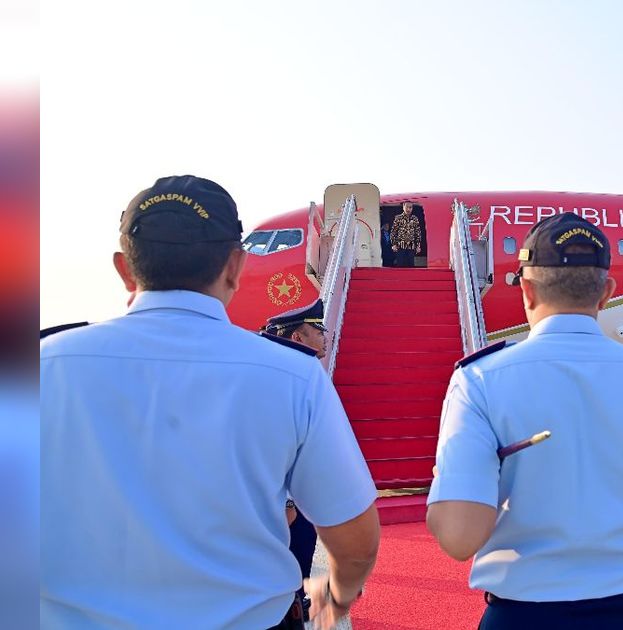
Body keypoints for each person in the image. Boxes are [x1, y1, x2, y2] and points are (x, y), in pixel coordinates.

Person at [40, 175, 380, 630]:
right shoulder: (295, 376)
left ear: (125, 268)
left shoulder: (43, 365)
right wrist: (336, 597)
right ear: (235, 266)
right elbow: (355, 540)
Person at [425, 213, 623, 630]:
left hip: (525, 616)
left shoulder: (480, 381)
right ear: (607, 292)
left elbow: (458, 538)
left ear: (526, 290)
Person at [262, 298, 330, 621]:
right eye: (317, 329)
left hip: (300, 500)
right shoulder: (290, 379)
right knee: (287, 570)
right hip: (289, 505)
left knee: (297, 568)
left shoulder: (299, 373)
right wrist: (288, 503)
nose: (326, 335)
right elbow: (281, 441)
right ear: (297, 338)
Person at [389, 201, 423, 267]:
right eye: (407, 207)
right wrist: (394, 244)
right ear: (403, 207)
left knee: (411, 266)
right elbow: (393, 232)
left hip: (411, 247)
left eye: (410, 207)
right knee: (400, 265)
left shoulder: (415, 219)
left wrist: (418, 245)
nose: (408, 209)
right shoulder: (398, 218)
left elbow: (418, 233)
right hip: (400, 246)